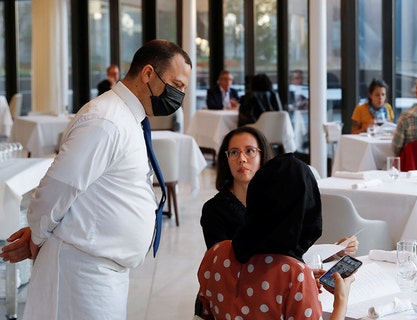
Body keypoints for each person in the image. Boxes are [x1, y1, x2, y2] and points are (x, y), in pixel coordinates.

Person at [0, 39, 192, 319]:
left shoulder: (127, 116)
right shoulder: (106, 119)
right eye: (177, 84)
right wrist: (37, 236)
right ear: (148, 74)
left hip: (100, 268)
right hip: (81, 271)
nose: (180, 95)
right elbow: (59, 186)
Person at [195, 127, 358, 317]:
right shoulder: (295, 275)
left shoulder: (216, 254)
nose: (242, 159)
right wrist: (341, 299)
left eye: (249, 151)